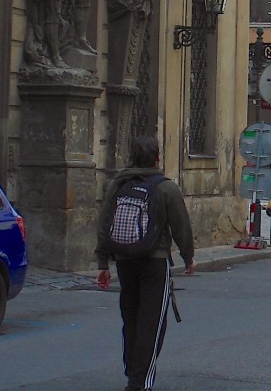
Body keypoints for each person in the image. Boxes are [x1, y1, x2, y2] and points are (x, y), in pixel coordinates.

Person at [95, 136, 195, 391]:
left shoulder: (118, 183)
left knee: (131, 319)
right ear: (158, 158)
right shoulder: (165, 187)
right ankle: (140, 382)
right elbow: (181, 225)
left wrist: (102, 263)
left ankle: (133, 371)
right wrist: (188, 257)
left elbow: (105, 222)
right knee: (152, 323)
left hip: (124, 261)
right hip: (155, 261)